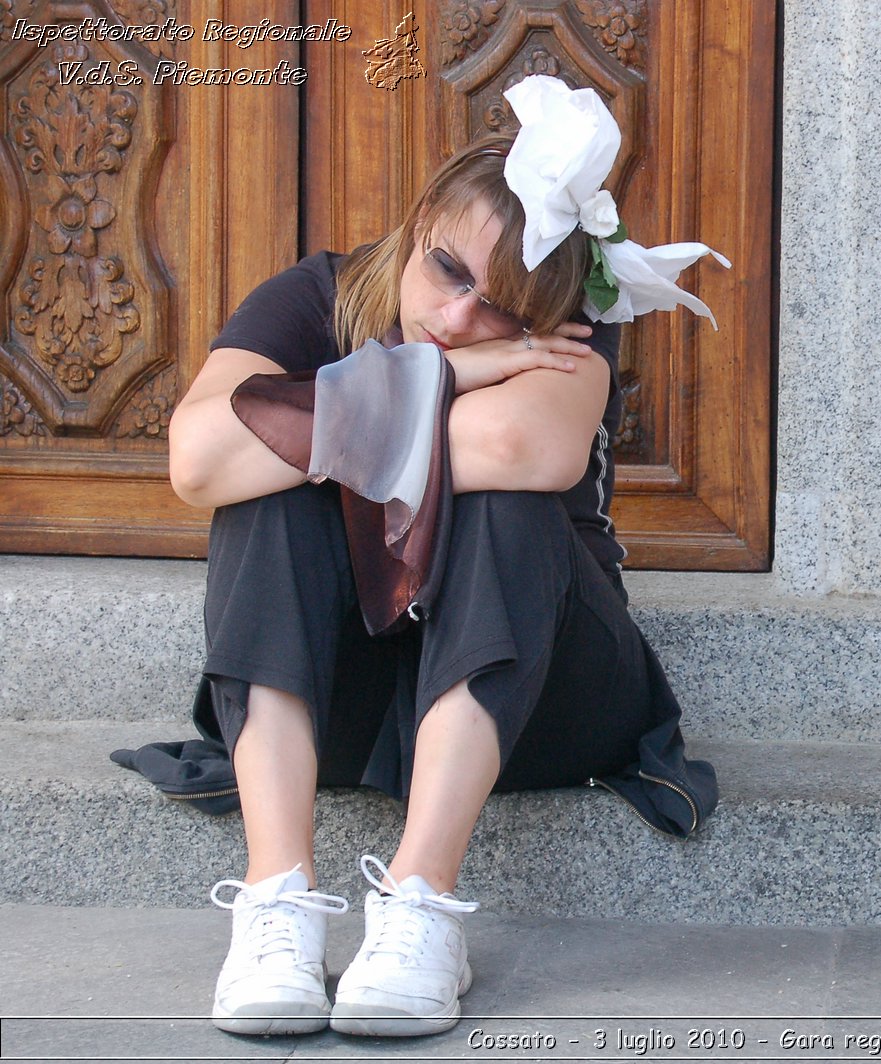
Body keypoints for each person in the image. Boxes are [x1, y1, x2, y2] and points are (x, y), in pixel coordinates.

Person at [165, 75, 721, 1039]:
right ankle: (277, 902)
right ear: (417, 220)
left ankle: (422, 903)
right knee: (266, 509)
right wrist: (446, 375)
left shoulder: (578, 325)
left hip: (544, 696)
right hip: (349, 695)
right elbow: (199, 462)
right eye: (450, 273)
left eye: (503, 314)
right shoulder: (318, 296)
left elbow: (514, 451)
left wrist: (316, 429)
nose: (462, 316)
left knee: (486, 502)